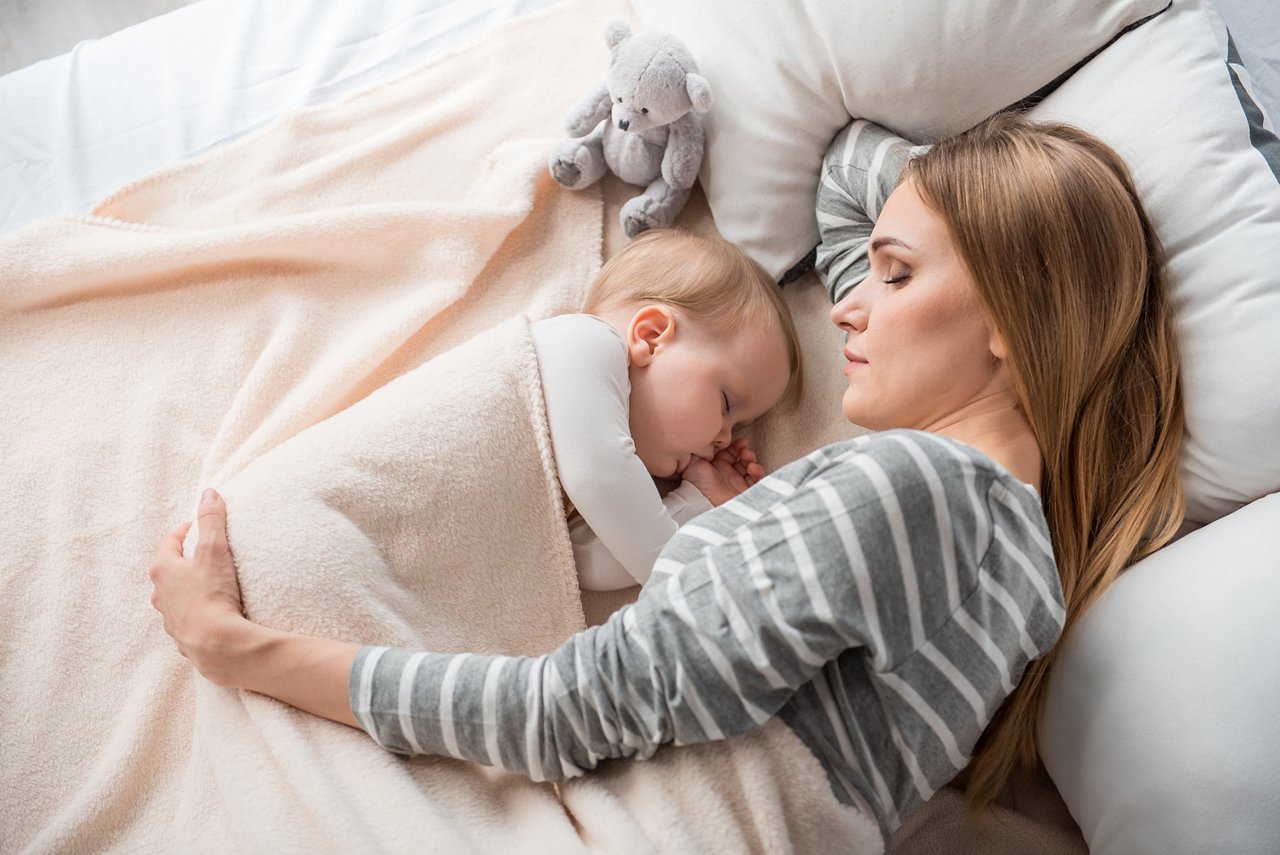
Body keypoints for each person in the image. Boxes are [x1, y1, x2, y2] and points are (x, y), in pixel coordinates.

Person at [149, 111, 1184, 845]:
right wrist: (976, 200)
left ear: (1013, 318)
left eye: (896, 276)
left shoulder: (904, 492)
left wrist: (238, 647)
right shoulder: (1024, 568)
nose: (846, 307)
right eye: (867, 271)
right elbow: (844, 182)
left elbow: (561, 715)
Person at [533, 228, 802, 591]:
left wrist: (698, 503)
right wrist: (695, 583)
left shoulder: (596, 490)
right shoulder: (581, 342)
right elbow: (599, 478)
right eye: (726, 404)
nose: (726, 438)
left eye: (739, 427)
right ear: (651, 336)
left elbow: (576, 562)